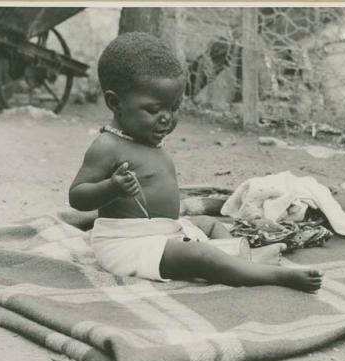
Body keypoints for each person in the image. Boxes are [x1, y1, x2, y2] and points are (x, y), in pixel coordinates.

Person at [69, 32, 322, 292]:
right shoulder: (107, 146)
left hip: (165, 229)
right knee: (200, 255)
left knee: (211, 224)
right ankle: (271, 275)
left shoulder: (146, 137)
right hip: (126, 243)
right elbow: (77, 197)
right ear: (115, 103)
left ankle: (240, 260)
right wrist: (112, 188)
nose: (167, 118)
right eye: (154, 110)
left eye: (174, 107)